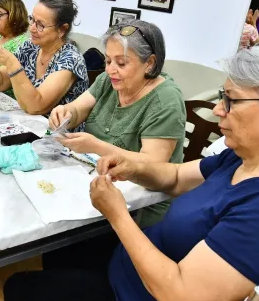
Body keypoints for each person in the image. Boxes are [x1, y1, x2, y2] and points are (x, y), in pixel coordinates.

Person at [3, 40, 259, 301]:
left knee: (20, 288)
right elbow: (175, 177)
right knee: (63, 248)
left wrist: (118, 215)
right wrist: (134, 168)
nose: (217, 109)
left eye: (231, 101)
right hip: (135, 275)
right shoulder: (242, 158)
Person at [48, 20, 185, 228]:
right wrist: (65, 114)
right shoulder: (108, 80)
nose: (111, 70)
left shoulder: (166, 101)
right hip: (97, 184)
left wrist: (96, 146)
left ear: (149, 63)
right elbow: (78, 109)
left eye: (121, 63)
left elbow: (154, 164)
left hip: (141, 207)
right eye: (108, 60)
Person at [0, 0, 88, 119]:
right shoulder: (30, 47)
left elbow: (37, 106)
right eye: (32, 19)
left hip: (56, 134)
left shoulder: (70, 59)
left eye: (40, 25)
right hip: (26, 122)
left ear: (62, 29)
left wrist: (12, 63)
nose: (32, 28)